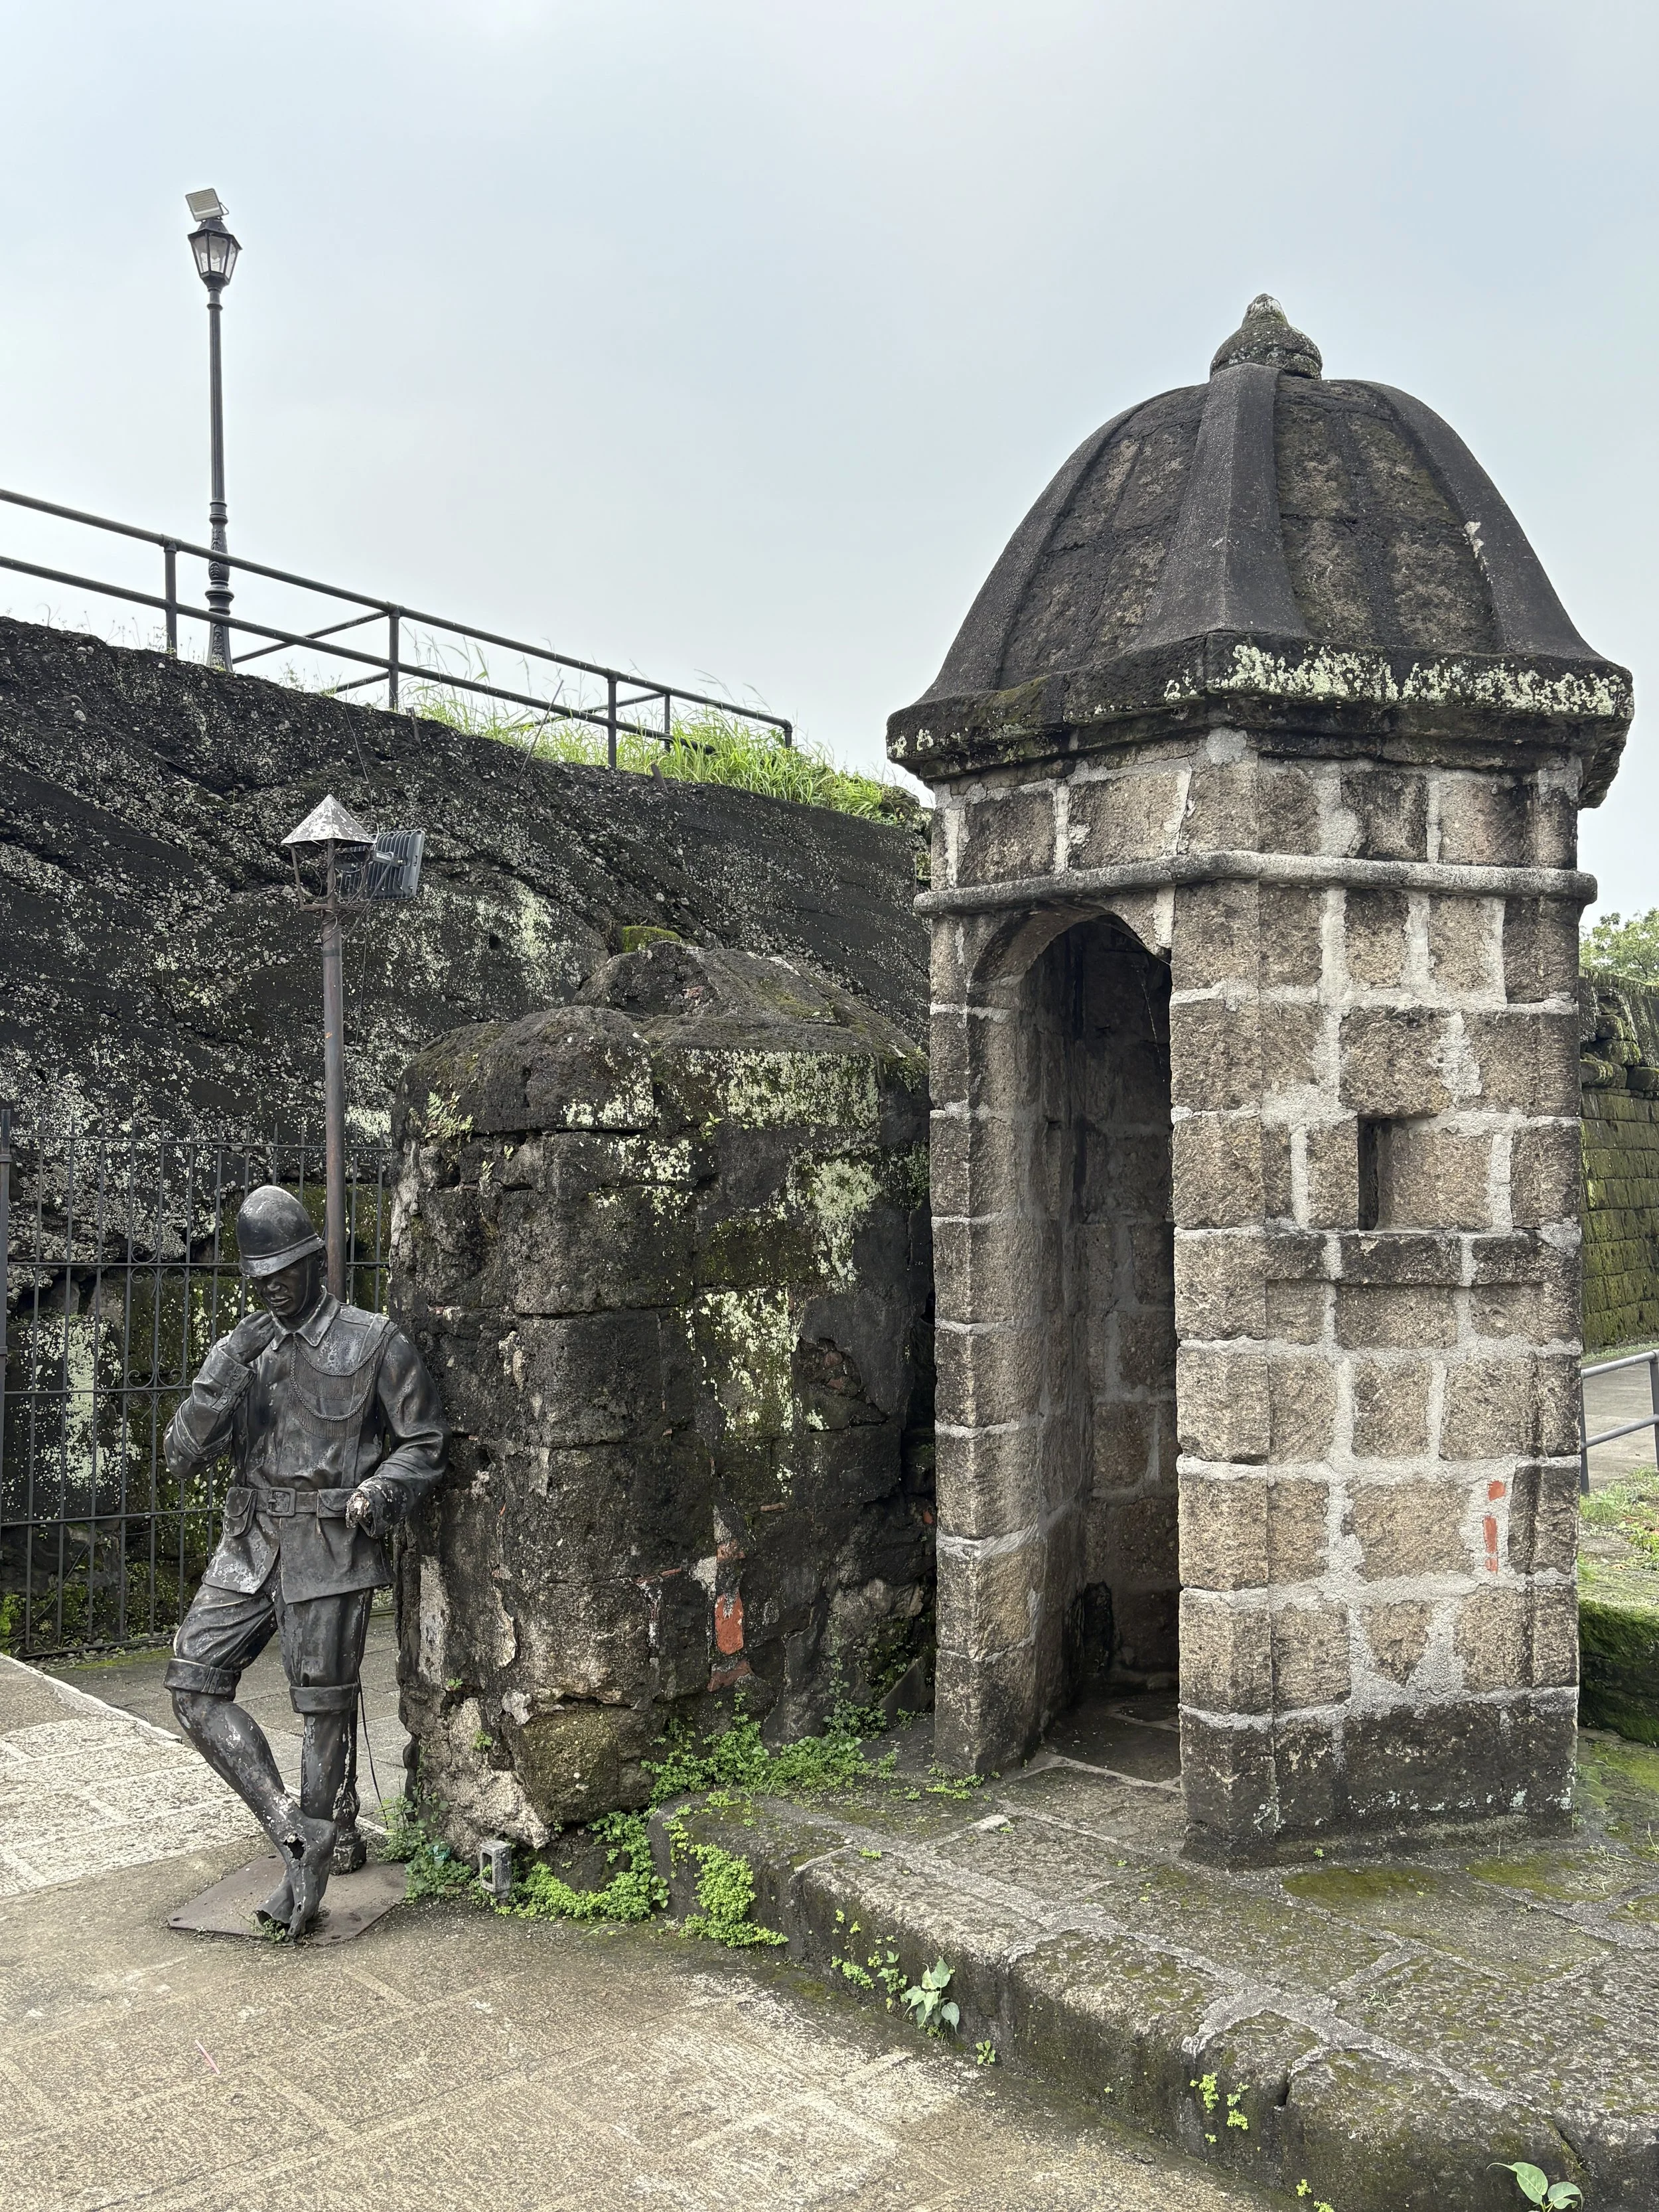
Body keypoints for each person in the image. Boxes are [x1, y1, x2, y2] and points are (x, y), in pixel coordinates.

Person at [163, 1184, 446, 1936]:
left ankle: (310, 1867)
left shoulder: (374, 1341)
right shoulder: (244, 1350)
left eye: (285, 1269)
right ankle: (296, 1830)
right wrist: (223, 1370)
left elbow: (423, 1443)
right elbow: (181, 1457)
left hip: (330, 1543)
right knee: (193, 1682)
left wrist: (381, 1494)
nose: (273, 1286)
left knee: (321, 1709)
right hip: (251, 1543)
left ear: (318, 1261)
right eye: (260, 1277)